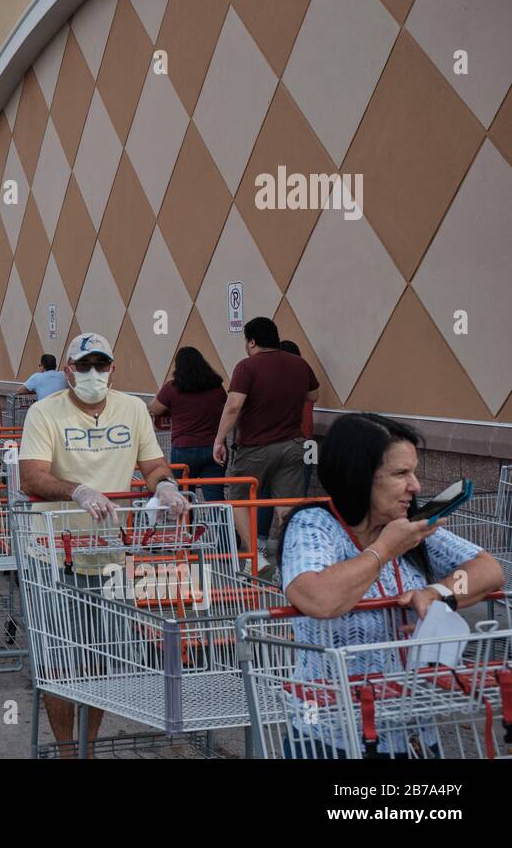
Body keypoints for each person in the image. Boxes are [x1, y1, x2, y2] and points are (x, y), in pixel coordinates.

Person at [279, 413, 504, 757]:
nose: (415, 486)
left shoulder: (410, 527)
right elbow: (318, 598)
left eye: (413, 472)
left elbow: (486, 569)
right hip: (330, 732)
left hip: (408, 727)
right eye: (401, 474)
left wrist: (440, 592)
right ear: (359, 476)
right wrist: (384, 550)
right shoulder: (314, 526)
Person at [19, 332, 188, 756]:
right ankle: (66, 750)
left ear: (112, 369)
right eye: (83, 366)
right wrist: (78, 491)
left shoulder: (132, 409)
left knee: (99, 664)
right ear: (68, 371)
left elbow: (152, 463)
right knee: (60, 665)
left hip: (111, 554)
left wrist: (165, 486)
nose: (93, 373)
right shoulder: (44, 413)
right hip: (55, 553)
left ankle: (88, 748)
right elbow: (32, 475)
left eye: (100, 365)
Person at [211, 317, 319, 563]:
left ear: (251, 341)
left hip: (255, 447)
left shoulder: (247, 367)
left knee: (238, 499)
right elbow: (313, 394)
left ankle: (254, 558)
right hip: (293, 445)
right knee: (287, 504)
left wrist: (219, 439)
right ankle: (289, 558)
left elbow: (233, 406)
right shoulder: (299, 364)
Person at [148, 347, 227, 502]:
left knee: (184, 496)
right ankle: (221, 526)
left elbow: (154, 408)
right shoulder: (216, 387)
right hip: (213, 448)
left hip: (184, 449)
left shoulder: (172, 388)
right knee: (215, 496)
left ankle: (187, 526)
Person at [279, 340, 316, 497]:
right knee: (301, 494)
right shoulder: (305, 376)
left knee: (268, 497)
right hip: (308, 442)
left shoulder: (276, 380)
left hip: (283, 442)